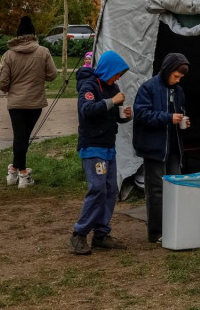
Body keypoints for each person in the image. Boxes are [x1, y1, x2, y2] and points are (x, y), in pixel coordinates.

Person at [70, 50, 132, 255]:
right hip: (92, 145)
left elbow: (112, 114)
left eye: (120, 75)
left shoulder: (112, 87)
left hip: (108, 146)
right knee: (97, 188)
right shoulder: (89, 86)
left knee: (110, 190)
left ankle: (101, 234)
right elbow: (86, 110)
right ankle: (79, 233)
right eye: (117, 74)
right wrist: (112, 102)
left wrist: (124, 115)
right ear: (107, 70)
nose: (118, 78)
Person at [133, 53, 189, 243]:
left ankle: (174, 226)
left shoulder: (178, 90)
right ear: (167, 71)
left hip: (173, 146)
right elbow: (141, 114)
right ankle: (156, 232)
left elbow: (180, 111)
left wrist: (183, 119)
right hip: (154, 147)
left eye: (180, 78)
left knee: (175, 186)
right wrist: (168, 118)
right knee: (156, 190)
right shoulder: (148, 88)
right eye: (175, 76)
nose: (177, 80)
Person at [0, 16, 57, 188]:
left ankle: (14, 171)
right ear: (33, 33)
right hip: (35, 102)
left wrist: (11, 89)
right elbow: (52, 74)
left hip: (15, 103)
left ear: (18, 34)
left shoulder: (8, 55)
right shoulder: (43, 52)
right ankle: (21, 173)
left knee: (20, 137)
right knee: (23, 137)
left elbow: (2, 82)